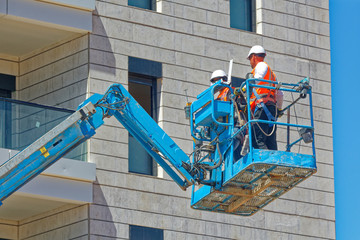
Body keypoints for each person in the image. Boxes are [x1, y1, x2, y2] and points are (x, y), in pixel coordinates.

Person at [247, 45, 277, 150]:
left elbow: (256, 80)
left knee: (257, 140)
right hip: (271, 108)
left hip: (263, 108)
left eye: (250, 59)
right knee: (270, 142)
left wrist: (245, 88)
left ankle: (264, 162)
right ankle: (273, 162)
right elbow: (280, 94)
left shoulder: (261, 66)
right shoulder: (272, 74)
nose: (250, 62)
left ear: (254, 57)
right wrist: (280, 109)